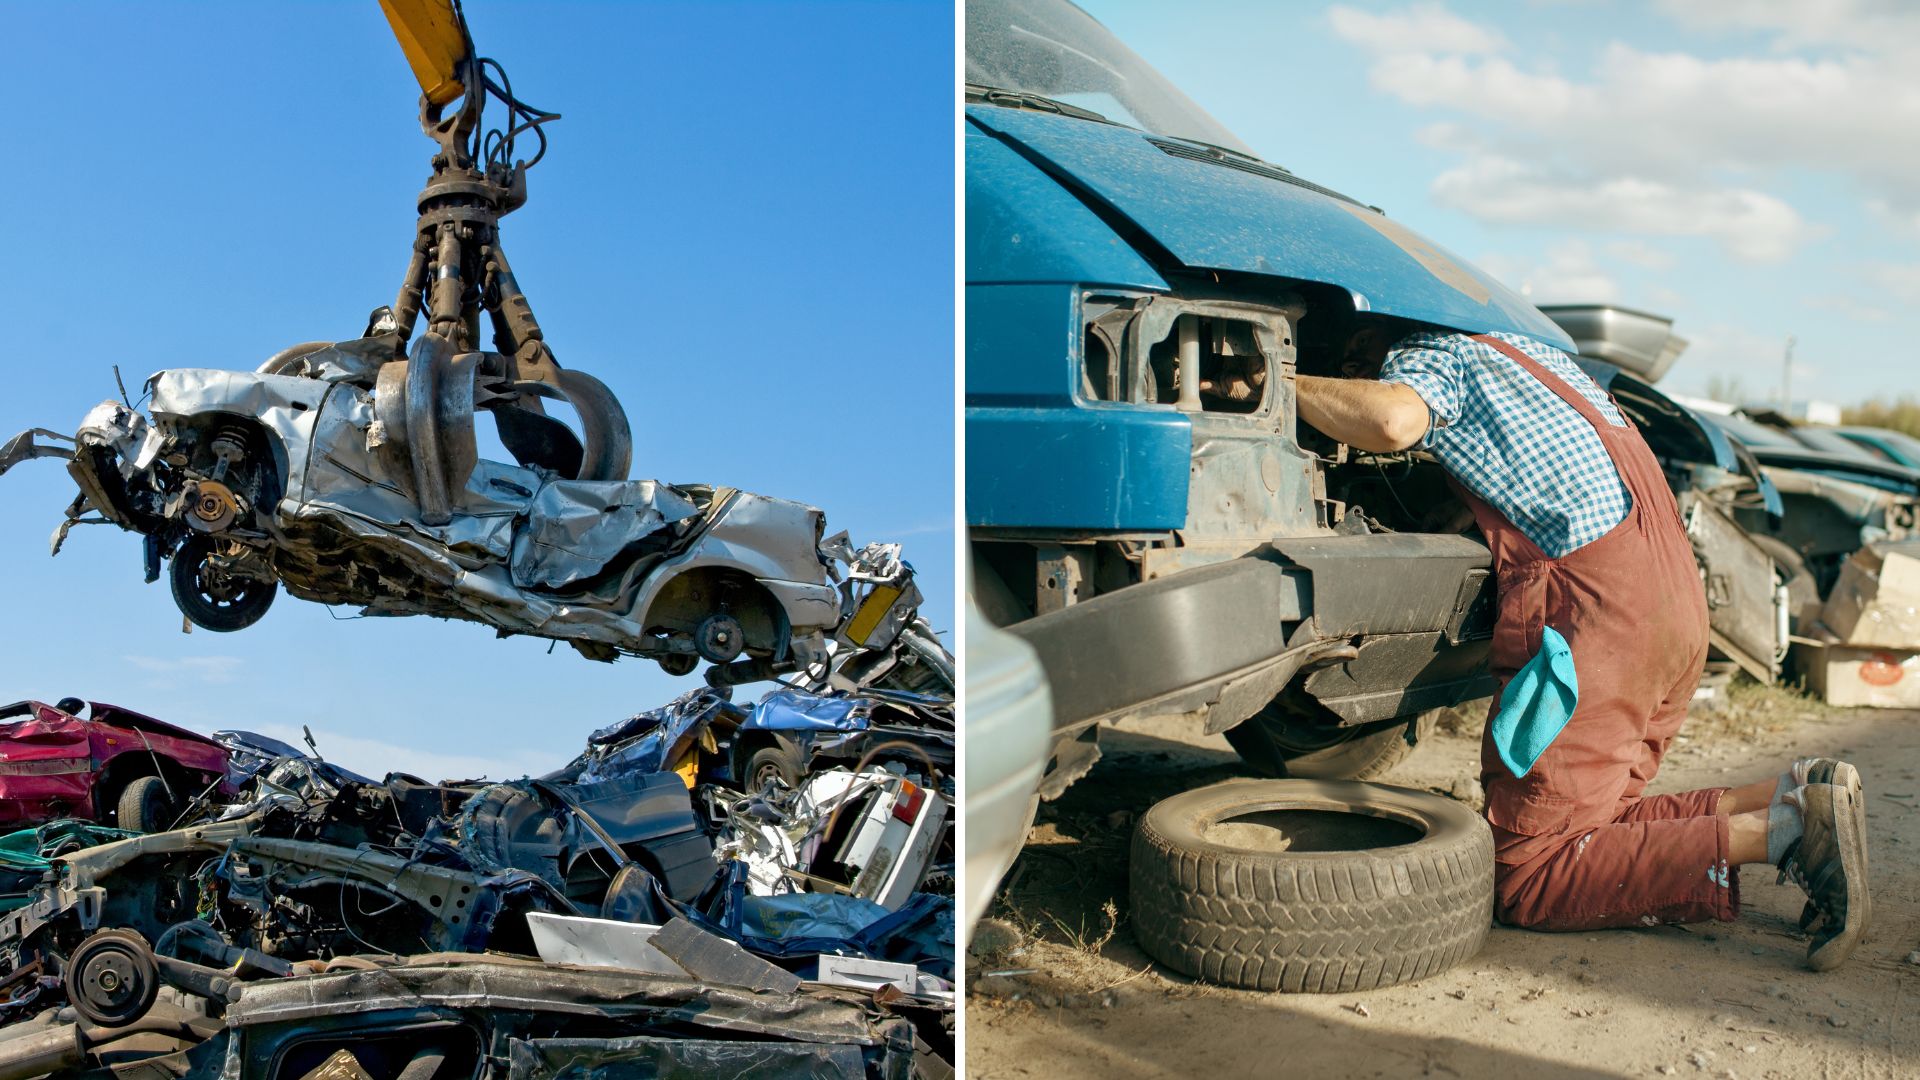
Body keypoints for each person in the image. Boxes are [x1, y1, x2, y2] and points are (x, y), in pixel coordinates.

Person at [1292, 320, 1870, 971]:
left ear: (1372, 338)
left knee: (1531, 870)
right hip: (1674, 599)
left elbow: (1394, 420)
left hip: (1603, 611)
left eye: (1350, 358)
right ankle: (1799, 795)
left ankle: (1784, 836)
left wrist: (1290, 384)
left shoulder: (1428, 355)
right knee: (1599, 824)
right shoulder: (1536, 359)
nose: (1356, 369)